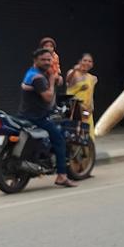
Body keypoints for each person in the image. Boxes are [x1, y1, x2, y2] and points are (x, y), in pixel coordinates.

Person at [19, 48, 74, 187]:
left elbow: (59, 81)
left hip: (25, 114)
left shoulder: (31, 73)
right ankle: (62, 176)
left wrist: (54, 76)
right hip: (37, 117)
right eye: (43, 60)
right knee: (59, 140)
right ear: (35, 60)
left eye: (49, 60)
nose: (47, 62)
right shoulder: (38, 78)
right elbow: (48, 97)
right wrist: (51, 80)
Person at [66, 53, 98, 134]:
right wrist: (74, 70)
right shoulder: (73, 73)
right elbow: (68, 81)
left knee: (87, 132)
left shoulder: (93, 78)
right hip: (75, 108)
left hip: (86, 109)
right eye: (85, 60)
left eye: (90, 61)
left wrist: (91, 107)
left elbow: (91, 94)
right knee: (75, 131)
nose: (87, 63)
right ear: (80, 61)